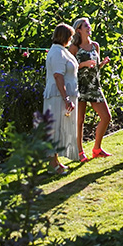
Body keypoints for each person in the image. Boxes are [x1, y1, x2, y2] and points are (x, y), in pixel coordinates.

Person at [70, 16, 112, 161]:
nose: (89, 28)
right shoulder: (74, 48)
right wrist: (83, 64)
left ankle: (97, 148)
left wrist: (102, 64)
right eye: (86, 26)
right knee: (79, 120)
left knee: (106, 117)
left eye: (89, 26)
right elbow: (69, 68)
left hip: (94, 86)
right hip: (80, 86)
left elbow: (95, 66)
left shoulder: (95, 46)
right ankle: (80, 152)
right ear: (78, 30)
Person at [44, 23, 80, 171]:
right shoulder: (57, 53)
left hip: (63, 95)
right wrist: (66, 98)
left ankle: (56, 161)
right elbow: (58, 76)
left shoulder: (61, 51)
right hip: (58, 96)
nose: (71, 40)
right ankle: (52, 164)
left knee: (60, 127)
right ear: (64, 36)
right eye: (70, 37)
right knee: (55, 128)